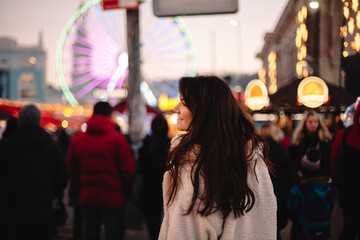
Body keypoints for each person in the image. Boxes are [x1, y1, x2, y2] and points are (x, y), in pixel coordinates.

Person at [158, 76, 277, 240]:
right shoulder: (253, 161)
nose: (176, 108)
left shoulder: (194, 167)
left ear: (204, 110)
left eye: (184, 103)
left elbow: (185, 232)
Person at [66, 101, 136, 240]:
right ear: (110, 115)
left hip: (88, 196)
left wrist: (80, 186)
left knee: (90, 234)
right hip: (114, 198)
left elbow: (71, 168)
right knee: (114, 234)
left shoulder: (78, 140)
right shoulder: (118, 139)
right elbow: (128, 170)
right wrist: (125, 190)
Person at [1, 104, 68, 240]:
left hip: (15, 205)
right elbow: (62, 174)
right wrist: (54, 193)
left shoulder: (7, 145)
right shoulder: (50, 145)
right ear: (38, 120)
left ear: (20, 120)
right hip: (43, 204)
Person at [288, 109, 333, 240]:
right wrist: (297, 172)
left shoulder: (325, 141)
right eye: (310, 122)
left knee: (319, 216)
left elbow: (328, 161)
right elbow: (291, 160)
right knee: (302, 218)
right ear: (305, 123)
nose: (313, 124)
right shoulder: (298, 141)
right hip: (303, 185)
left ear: (319, 123)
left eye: (315, 121)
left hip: (320, 185)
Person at [259, 122, 296, 240]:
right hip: (279, 197)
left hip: (261, 199)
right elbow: (290, 177)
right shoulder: (280, 151)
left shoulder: (256, 151)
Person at [331, 99, 360, 240]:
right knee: (351, 226)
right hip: (350, 193)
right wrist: (337, 185)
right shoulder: (344, 135)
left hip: (348, 191)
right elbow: (335, 162)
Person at [138, 114, 171, 240]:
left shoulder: (145, 147)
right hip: (166, 192)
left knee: (153, 228)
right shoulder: (171, 147)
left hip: (148, 193)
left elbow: (141, 170)